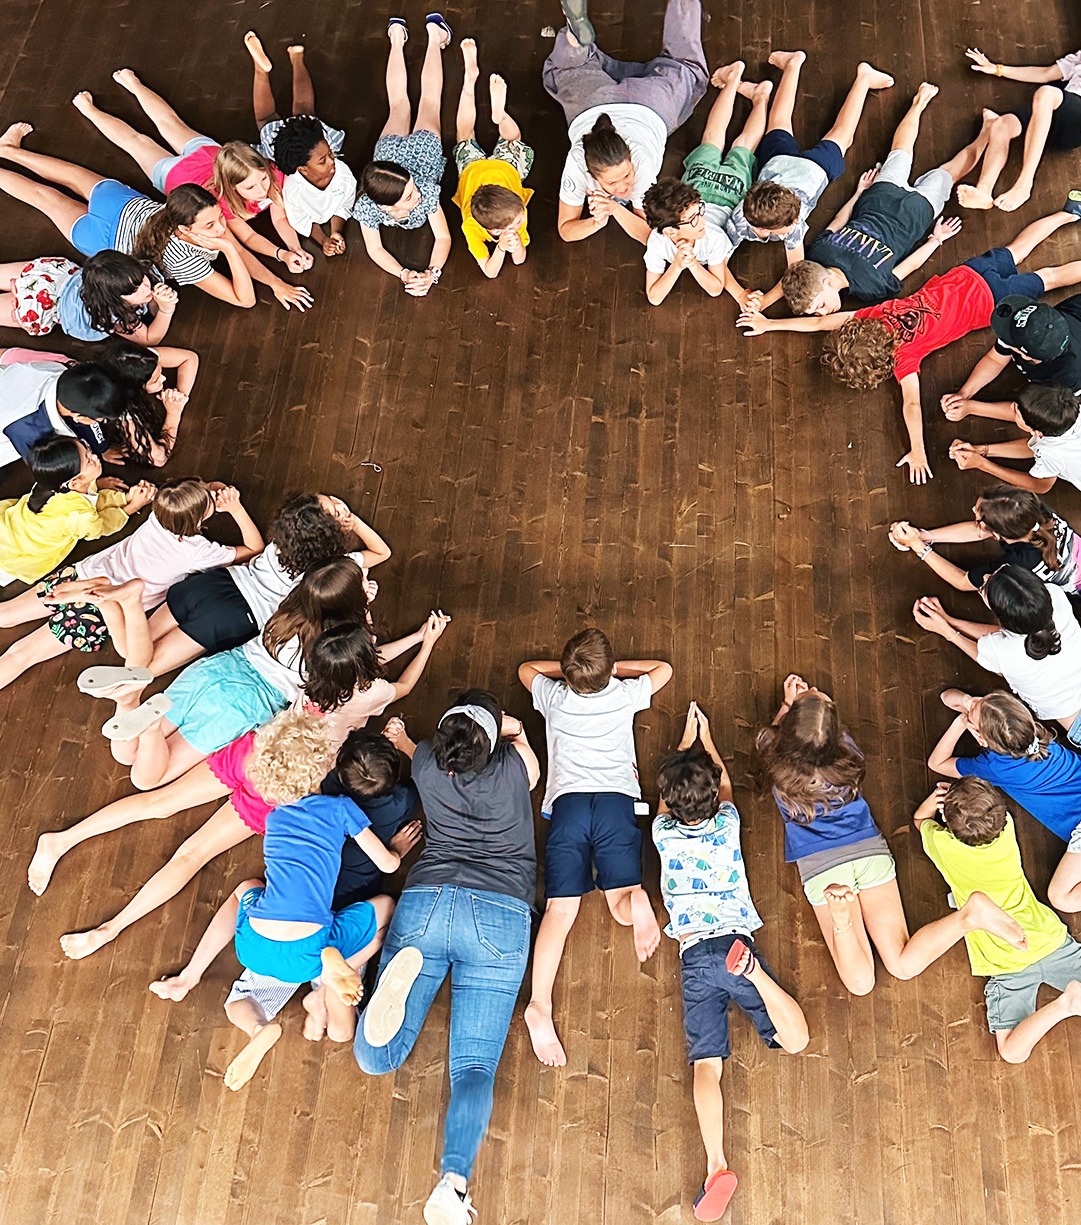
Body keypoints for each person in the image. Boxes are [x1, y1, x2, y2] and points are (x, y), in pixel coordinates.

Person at [354, 693, 541, 1225]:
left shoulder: (427, 763)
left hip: (427, 898)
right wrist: (516, 730)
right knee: (474, 1066)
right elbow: (522, 746)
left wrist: (402, 738)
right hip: (500, 910)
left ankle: (377, 1024)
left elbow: (412, 746)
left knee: (378, 1060)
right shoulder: (515, 768)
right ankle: (452, 1175)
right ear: (494, 740)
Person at [739, 206, 1081, 483]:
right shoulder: (874, 314)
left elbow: (912, 407)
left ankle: (1067, 217)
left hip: (990, 302)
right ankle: (1067, 213)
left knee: (1050, 277)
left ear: (882, 367)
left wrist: (919, 449)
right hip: (965, 276)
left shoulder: (904, 358)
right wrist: (770, 324)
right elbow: (819, 323)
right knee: (1017, 249)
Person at [755, 674, 1024, 995]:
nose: (814, 690)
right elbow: (802, 737)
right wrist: (803, 707)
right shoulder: (847, 755)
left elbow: (777, 740)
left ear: (785, 733)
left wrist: (788, 704)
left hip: (822, 867)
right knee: (900, 965)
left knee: (861, 985)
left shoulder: (775, 763)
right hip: (869, 853)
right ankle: (968, 917)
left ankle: (843, 920)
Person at [653, 701, 809, 1223]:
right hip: (734, 943)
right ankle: (756, 974)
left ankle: (717, 1161)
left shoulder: (662, 832)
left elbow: (664, 798)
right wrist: (706, 740)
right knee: (795, 1041)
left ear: (670, 806)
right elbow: (721, 787)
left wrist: (682, 740)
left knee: (706, 1065)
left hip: (695, 952)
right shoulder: (727, 820)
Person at [519, 628, 670, 1067]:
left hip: (567, 807)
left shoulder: (553, 696)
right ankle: (634, 900)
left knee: (559, 912)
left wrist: (565, 675)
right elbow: (664, 669)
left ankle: (540, 1003)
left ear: (566, 673)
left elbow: (525, 669)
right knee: (618, 900)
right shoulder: (624, 695)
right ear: (610, 671)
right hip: (615, 804)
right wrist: (614, 672)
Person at [71, 70, 313, 312]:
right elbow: (245, 242)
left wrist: (291, 250)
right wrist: (276, 283)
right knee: (136, 141)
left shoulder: (267, 174)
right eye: (251, 187)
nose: (262, 190)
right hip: (175, 174)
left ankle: (134, 84)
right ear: (231, 187)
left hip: (205, 153)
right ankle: (90, 110)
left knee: (170, 121)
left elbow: (278, 216)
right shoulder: (221, 208)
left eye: (263, 181)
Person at [0, 478, 261, 691]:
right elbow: (254, 549)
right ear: (197, 520)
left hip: (85, 574)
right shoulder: (199, 551)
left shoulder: (158, 514)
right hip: (97, 609)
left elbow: (204, 486)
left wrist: (207, 493)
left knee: (6, 614)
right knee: (21, 655)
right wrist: (235, 508)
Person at [149, 876, 392, 1091]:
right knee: (342, 1032)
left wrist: (190, 974)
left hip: (278, 952)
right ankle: (325, 985)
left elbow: (246, 889)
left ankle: (257, 1027)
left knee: (240, 1000)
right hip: (324, 945)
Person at [782, 86, 992, 312]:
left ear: (828, 283)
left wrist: (935, 239)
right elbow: (839, 221)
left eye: (819, 306)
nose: (822, 313)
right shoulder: (817, 254)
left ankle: (985, 133)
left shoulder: (870, 288)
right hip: (882, 199)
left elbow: (909, 266)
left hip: (913, 212)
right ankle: (921, 104)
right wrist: (860, 193)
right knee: (903, 152)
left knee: (948, 172)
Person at [0, 124, 257, 307]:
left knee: (67, 177)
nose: (221, 227)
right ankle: (8, 153)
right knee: (44, 198)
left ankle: (10, 151)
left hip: (118, 203)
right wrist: (230, 251)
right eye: (211, 224)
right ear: (185, 229)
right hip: (102, 239)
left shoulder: (181, 209)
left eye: (220, 218)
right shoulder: (186, 262)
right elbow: (244, 300)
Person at [915, 777, 1081, 1063]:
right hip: (1048, 938)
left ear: (947, 820)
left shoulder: (942, 844)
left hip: (1005, 962)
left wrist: (935, 801)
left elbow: (919, 819)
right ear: (1001, 816)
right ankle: (1067, 1002)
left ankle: (1065, 1006)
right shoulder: (1006, 832)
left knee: (1011, 1051)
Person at [144, 494, 390, 676]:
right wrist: (353, 521)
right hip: (237, 615)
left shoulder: (281, 541)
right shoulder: (326, 569)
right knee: (147, 669)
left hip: (215, 583)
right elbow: (381, 552)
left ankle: (125, 605)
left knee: (139, 642)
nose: (337, 503)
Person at [723, 54, 894, 307]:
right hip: (785, 164)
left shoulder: (780, 223)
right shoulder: (768, 220)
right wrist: (745, 296)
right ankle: (801, 66)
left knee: (834, 134)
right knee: (787, 123)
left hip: (812, 168)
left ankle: (859, 77)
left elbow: (797, 272)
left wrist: (758, 301)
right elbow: (718, 258)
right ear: (762, 229)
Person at [545, 0, 709, 247]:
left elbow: (647, 237)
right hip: (595, 103)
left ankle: (575, 39)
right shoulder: (580, 163)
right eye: (613, 183)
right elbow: (567, 231)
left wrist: (613, 208)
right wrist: (597, 220)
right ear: (591, 173)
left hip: (649, 107)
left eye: (626, 175)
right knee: (569, 70)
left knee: (687, 69)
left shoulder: (636, 163)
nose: (625, 186)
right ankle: (574, 45)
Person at [643, 61, 771, 307]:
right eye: (693, 220)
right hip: (713, 190)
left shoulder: (711, 235)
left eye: (698, 214)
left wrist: (689, 263)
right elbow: (655, 296)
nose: (701, 222)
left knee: (734, 142)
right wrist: (682, 265)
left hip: (709, 194)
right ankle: (746, 89)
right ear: (670, 231)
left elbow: (715, 288)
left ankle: (756, 94)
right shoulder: (662, 241)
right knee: (734, 143)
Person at [912, 565, 1081, 746]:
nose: (985, 577)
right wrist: (949, 622)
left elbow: (989, 649)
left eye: (984, 588)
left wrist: (945, 629)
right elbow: (1004, 638)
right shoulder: (1055, 596)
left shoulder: (1002, 652)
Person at [353, 17, 452, 294]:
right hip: (389, 150)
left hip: (423, 149)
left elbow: (443, 236)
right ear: (384, 207)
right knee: (402, 101)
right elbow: (374, 249)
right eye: (409, 196)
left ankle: (430, 36)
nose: (417, 194)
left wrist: (431, 274)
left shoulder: (424, 190)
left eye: (411, 187)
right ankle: (399, 35)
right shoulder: (367, 207)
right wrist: (406, 273)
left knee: (425, 99)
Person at [241, 32, 353, 262]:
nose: (333, 162)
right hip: (286, 145)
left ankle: (269, 68)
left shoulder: (327, 160)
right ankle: (292, 59)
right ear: (301, 169)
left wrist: (332, 234)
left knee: (269, 117)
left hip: (303, 140)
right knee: (298, 110)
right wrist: (326, 238)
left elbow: (303, 219)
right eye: (324, 160)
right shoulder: (293, 188)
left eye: (330, 156)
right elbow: (303, 219)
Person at [927, 689, 1081, 843]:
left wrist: (961, 722)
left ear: (982, 740)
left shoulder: (997, 767)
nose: (974, 702)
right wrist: (969, 702)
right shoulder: (1028, 730)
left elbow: (936, 763)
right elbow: (946, 697)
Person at [0, 435, 150, 585]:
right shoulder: (79, 517)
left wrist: (123, 497)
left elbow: (85, 498)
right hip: (18, 556)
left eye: (88, 450)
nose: (95, 457)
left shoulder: (49, 484)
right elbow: (102, 525)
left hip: (8, 526)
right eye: (89, 460)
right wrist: (132, 506)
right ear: (74, 483)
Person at [941, 291, 1081, 446]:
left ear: (1026, 355)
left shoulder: (1067, 379)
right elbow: (995, 359)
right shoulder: (1041, 328)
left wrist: (972, 407)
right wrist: (964, 393)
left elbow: (1030, 415)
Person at [889, 485, 1081, 593]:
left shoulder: (1016, 564)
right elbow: (981, 530)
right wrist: (925, 536)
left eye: (977, 516)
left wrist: (918, 547)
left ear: (998, 534)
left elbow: (963, 582)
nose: (973, 510)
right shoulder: (1034, 511)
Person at [958, 46, 1081, 212]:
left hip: (1073, 122)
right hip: (1053, 111)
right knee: (1002, 125)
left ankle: (1024, 184)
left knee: (1047, 93)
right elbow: (1046, 74)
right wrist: (996, 69)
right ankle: (983, 190)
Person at [450, 39, 534, 279]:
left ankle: (472, 86)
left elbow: (507, 265)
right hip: (475, 170)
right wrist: (505, 247)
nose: (522, 219)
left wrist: (512, 245)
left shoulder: (514, 215)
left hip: (502, 170)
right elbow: (509, 263)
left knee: (512, 139)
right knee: (467, 135)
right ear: (495, 230)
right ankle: (496, 113)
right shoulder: (479, 223)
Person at [0, 250, 177, 344]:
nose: (146, 288)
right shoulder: (115, 315)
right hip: (42, 307)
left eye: (141, 279)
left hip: (53, 275)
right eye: (134, 290)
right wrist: (166, 311)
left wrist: (157, 300)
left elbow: (150, 302)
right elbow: (149, 338)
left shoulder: (110, 278)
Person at [950, 383, 1081, 495]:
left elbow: (1040, 485)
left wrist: (981, 464)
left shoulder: (1052, 453)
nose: (1012, 407)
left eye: (1016, 413)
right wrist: (982, 450)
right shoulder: (1069, 411)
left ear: (1036, 432)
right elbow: (1035, 448)